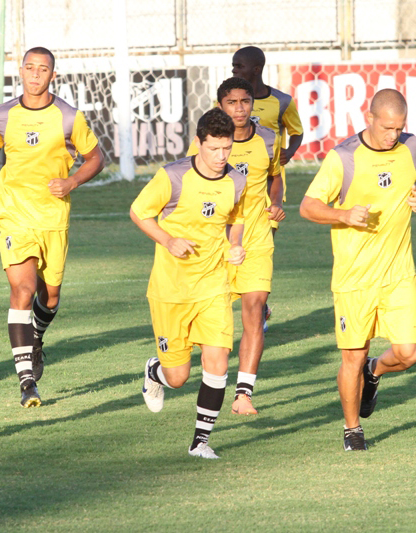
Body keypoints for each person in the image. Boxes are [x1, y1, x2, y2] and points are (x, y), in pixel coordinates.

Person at [300, 89, 416, 451]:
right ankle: (352, 429)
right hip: (354, 279)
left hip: (399, 274)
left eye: (399, 127)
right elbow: (308, 206)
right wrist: (343, 214)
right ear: (369, 118)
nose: (393, 134)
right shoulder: (343, 158)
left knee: (409, 353)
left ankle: (375, 371)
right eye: (387, 127)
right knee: (352, 357)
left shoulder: (411, 146)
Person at [0, 47, 104, 408]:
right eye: (29, 68)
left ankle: (35, 335)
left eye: (42, 69)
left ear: (53, 75)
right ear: (20, 71)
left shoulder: (68, 117)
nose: (35, 74)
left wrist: (72, 181)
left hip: (52, 216)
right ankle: (27, 382)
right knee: (23, 288)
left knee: (50, 297)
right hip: (13, 211)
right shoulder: (2, 114)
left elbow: (96, 157)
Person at [134, 108, 247, 459]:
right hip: (171, 290)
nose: (221, 156)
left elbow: (237, 217)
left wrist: (235, 243)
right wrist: (168, 240)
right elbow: (139, 212)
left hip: (213, 285)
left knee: (218, 361)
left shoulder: (236, 180)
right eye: (214, 148)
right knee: (178, 377)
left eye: (226, 148)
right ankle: (154, 371)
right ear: (198, 143)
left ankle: (200, 443)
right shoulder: (173, 177)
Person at [188, 77, 283, 415]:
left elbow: (275, 176)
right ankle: (165, 365)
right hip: (216, 244)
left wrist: (276, 202)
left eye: (245, 101)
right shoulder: (208, 143)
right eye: (232, 102)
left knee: (254, 310)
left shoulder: (269, 139)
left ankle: (244, 394)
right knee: (206, 324)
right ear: (220, 105)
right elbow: (191, 183)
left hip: (257, 240)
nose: (240, 109)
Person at [232, 45, 304, 331]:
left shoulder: (282, 101)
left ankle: (258, 307)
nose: (234, 70)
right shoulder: (229, 101)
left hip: (270, 186)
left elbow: (297, 132)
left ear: (256, 69)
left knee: (261, 250)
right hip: (234, 189)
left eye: (239, 66)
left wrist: (289, 152)